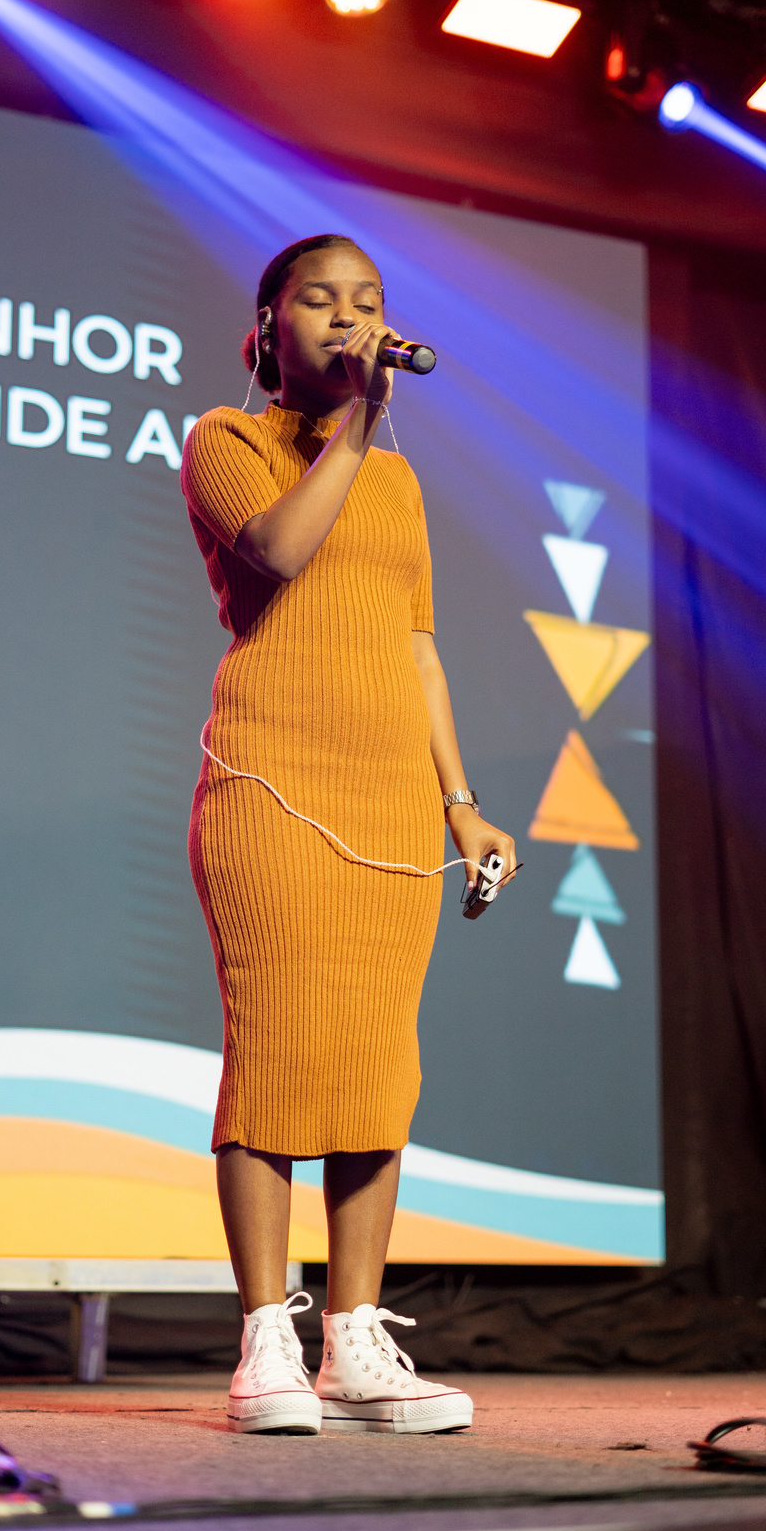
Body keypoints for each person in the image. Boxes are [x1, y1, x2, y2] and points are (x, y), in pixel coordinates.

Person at [181, 233, 516, 1435]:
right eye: (319, 300)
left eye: (367, 302)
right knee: (275, 1055)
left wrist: (460, 799)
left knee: (380, 1064)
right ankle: (265, 1338)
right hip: (270, 783)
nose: (347, 318)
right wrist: (361, 423)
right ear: (268, 326)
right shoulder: (228, 439)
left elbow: (415, 643)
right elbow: (276, 551)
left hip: (384, 796)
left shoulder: (400, 483)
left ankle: (356, 1343)